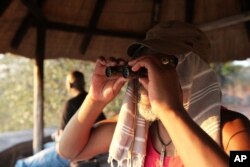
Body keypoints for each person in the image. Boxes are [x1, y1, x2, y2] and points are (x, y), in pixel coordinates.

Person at [57, 21, 250, 167]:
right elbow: (70, 151)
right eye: (141, 67)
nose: (144, 81)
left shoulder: (232, 129)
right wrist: (95, 99)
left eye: (161, 66)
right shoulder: (134, 128)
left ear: (195, 74)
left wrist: (170, 110)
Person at [15, 70, 106, 167]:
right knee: (48, 146)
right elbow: (102, 124)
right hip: (96, 148)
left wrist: (58, 137)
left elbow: (63, 137)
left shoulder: (71, 104)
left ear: (70, 85)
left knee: (22, 164)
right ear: (83, 83)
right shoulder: (94, 100)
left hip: (75, 152)